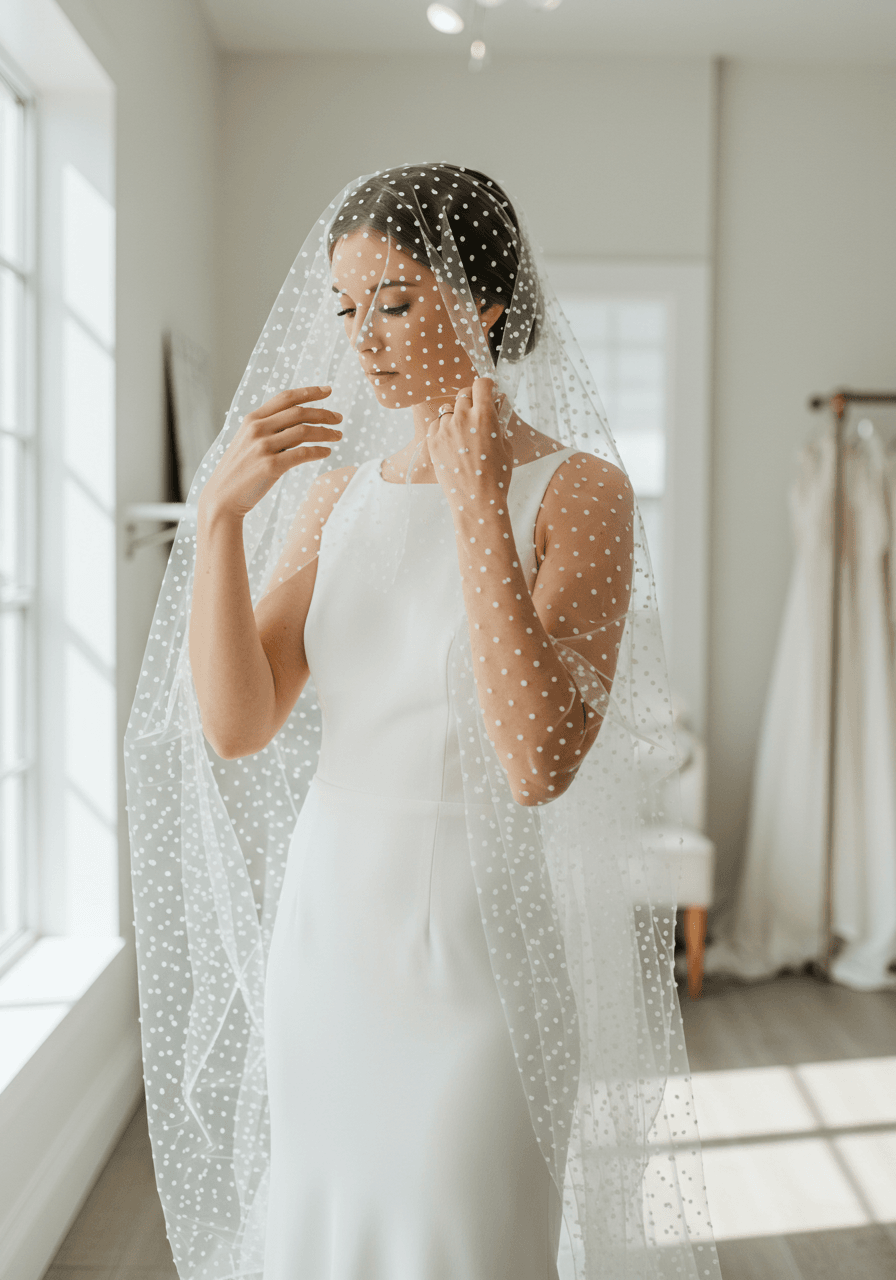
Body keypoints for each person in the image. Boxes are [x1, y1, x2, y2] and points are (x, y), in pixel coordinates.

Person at [124, 163, 723, 1280]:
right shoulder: (336, 495)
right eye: (346, 307)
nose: (362, 338)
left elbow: (535, 761)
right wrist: (217, 524)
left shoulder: (581, 491)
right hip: (329, 938)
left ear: (484, 307)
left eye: (393, 302)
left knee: (466, 1238)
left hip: (482, 950)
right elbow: (239, 724)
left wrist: (476, 501)